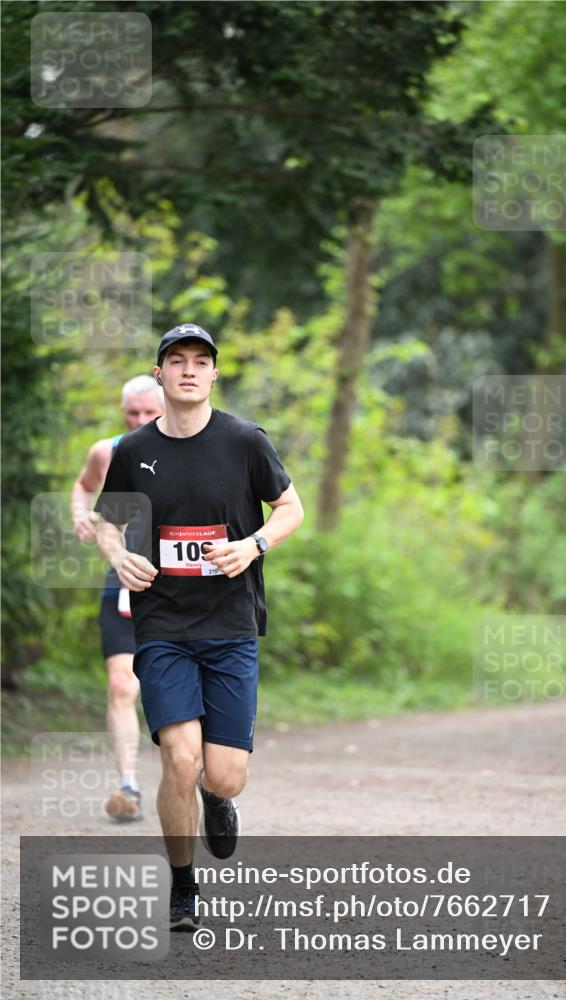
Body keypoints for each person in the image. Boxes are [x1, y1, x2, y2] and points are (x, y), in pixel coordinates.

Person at [94, 324, 304, 931]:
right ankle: (183, 887)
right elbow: (108, 521)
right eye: (178, 360)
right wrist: (118, 555)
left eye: (201, 361)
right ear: (158, 373)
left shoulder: (244, 441)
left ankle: (218, 799)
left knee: (224, 775)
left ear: (215, 373)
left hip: (231, 624)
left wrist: (254, 544)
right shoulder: (133, 450)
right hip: (162, 624)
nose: (189, 370)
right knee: (180, 761)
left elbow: (291, 508)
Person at [71, 375, 164, 821]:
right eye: (133, 413)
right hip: (124, 576)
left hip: (182, 583)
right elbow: (83, 485)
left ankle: (201, 780)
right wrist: (80, 515)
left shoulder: (192, 448)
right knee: (122, 684)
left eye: (150, 412)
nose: (141, 420)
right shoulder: (106, 451)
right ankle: (128, 786)